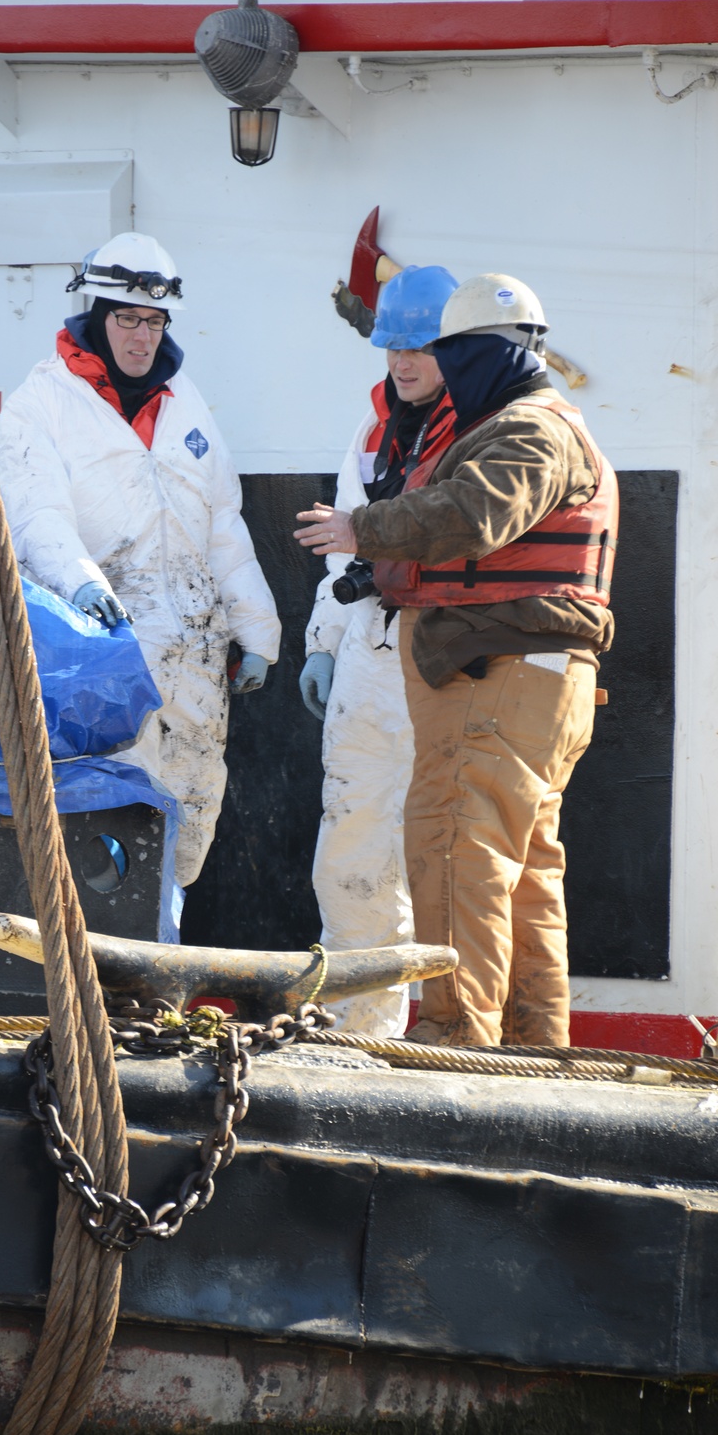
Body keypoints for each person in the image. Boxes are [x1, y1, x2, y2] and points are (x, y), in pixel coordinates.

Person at [295, 274, 617, 1047]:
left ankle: (454, 1038)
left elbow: (476, 512)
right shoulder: (539, 424)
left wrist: (360, 529)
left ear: (482, 355)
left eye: (447, 351)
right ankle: (536, 1044)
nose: (426, 365)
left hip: (494, 679)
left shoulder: (528, 430)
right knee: (525, 869)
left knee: (452, 852)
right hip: (526, 680)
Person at [0, 232, 281, 900]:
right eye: (127, 318)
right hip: (97, 649)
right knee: (98, 819)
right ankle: (88, 979)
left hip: (194, 657)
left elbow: (223, 526)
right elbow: (38, 518)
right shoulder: (43, 403)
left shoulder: (186, 403)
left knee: (190, 809)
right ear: (96, 315)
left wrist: (258, 631)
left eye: (153, 322)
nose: (140, 337)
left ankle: (163, 963)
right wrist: (85, 588)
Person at [299, 265, 457, 1036]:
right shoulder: (373, 432)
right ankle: (353, 1036)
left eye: (420, 344)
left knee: (444, 862)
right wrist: (323, 642)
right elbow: (341, 550)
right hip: (369, 653)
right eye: (393, 343)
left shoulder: (482, 433)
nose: (402, 360)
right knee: (350, 853)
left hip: (446, 663)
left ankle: (456, 1035)